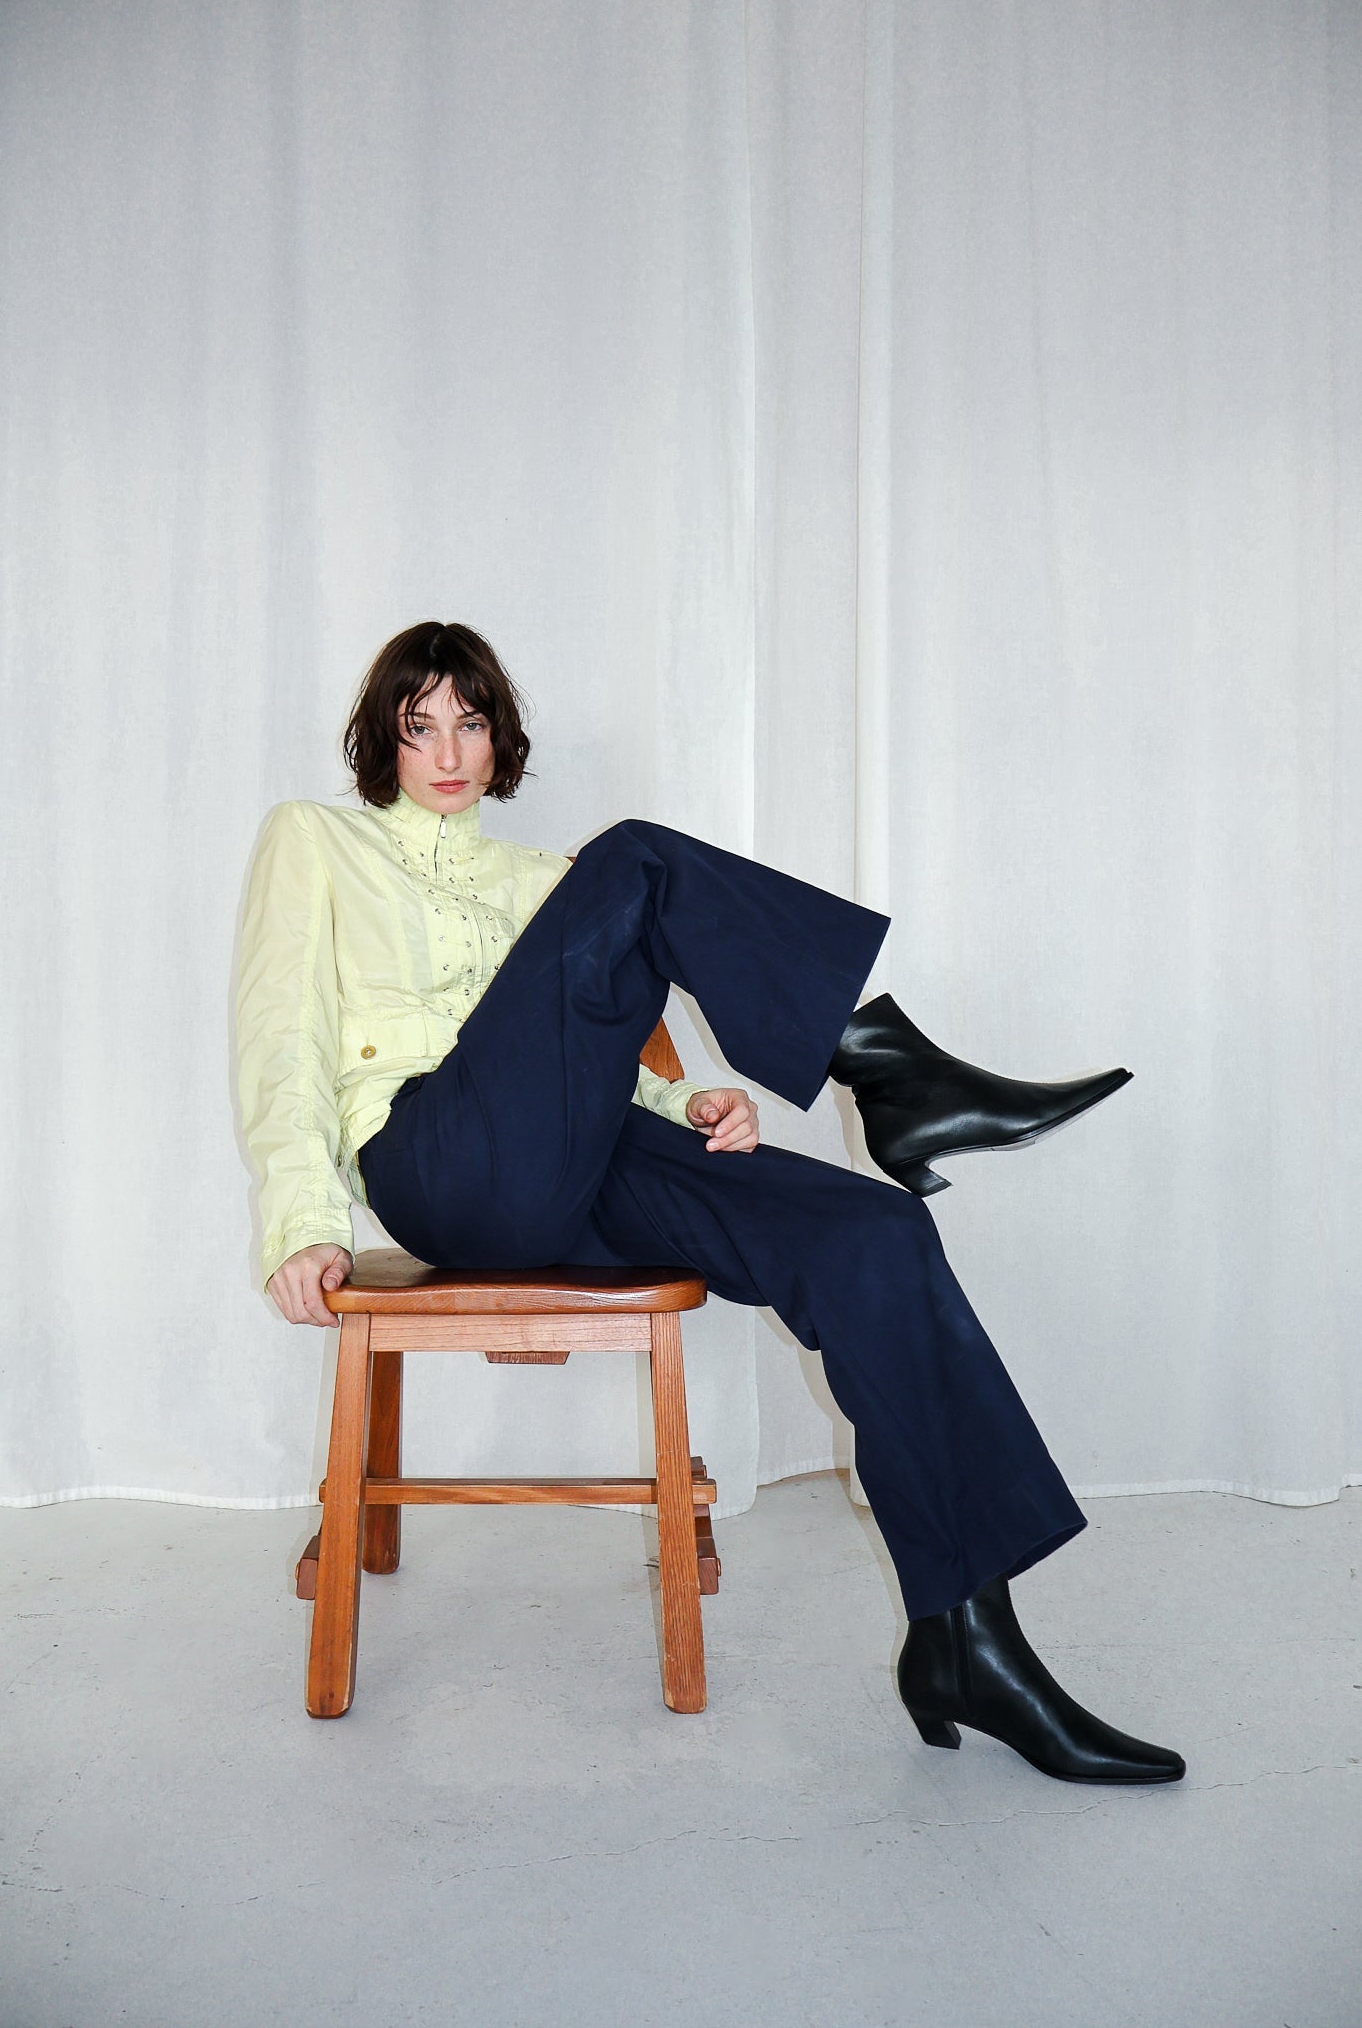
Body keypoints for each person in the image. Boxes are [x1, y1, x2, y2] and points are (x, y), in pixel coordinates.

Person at [235, 619, 1185, 1786]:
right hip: (438, 1162)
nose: (445, 751)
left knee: (874, 1233)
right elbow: (280, 1033)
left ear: (497, 740)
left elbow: (584, 1057)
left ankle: (969, 1640)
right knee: (636, 856)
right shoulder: (317, 841)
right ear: (383, 742)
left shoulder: (540, 883)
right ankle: (887, 1071)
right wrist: (302, 1221)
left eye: (469, 723)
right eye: (417, 725)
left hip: (573, 1161)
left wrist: (687, 1103)